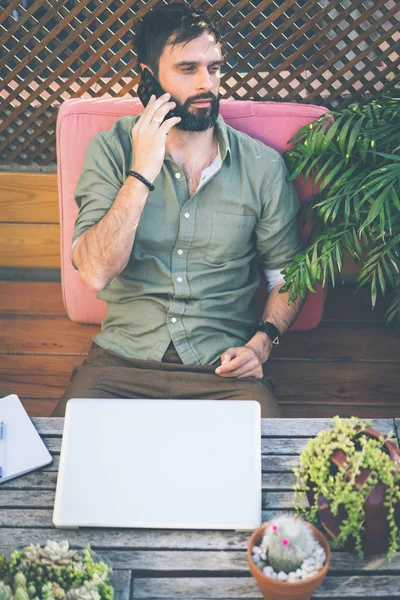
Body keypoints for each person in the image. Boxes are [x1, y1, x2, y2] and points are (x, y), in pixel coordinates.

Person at [52, 2, 304, 418]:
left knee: (266, 470)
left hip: (224, 373)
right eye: (188, 69)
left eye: (215, 68)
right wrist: (141, 173)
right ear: (150, 81)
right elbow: (95, 272)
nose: (208, 83)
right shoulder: (111, 151)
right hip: (119, 366)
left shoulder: (261, 166)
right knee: (63, 470)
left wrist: (262, 344)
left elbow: (287, 277)